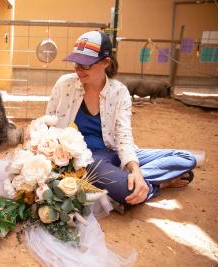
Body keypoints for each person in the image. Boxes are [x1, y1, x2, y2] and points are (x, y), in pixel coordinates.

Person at [46, 30, 196, 211]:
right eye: (76, 62)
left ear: (105, 62)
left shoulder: (120, 92)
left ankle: (135, 180)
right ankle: (159, 183)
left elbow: (123, 136)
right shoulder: (64, 85)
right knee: (124, 188)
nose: (78, 69)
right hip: (89, 160)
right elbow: (49, 125)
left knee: (187, 158)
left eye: (85, 64)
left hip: (116, 151)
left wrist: (135, 170)